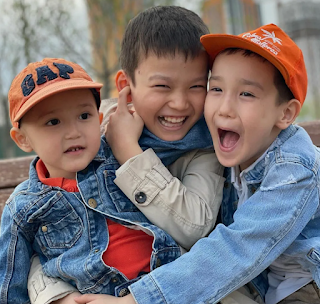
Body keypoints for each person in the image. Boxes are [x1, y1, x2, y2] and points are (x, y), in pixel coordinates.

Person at [75, 23, 320, 304]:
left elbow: (237, 249)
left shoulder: (295, 169)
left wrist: (136, 301)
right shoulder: (228, 134)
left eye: (246, 94)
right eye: (215, 88)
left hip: (305, 287)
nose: (224, 107)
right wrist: (107, 118)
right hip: (259, 285)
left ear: (286, 113)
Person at [0, 6, 225, 304]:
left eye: (84, 116)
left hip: (164, 285)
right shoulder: (25, 206)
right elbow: (11, 279)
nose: (73, 132)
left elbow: (194, 231)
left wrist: (128, 150)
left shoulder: (119, 153)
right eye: (53, 123)